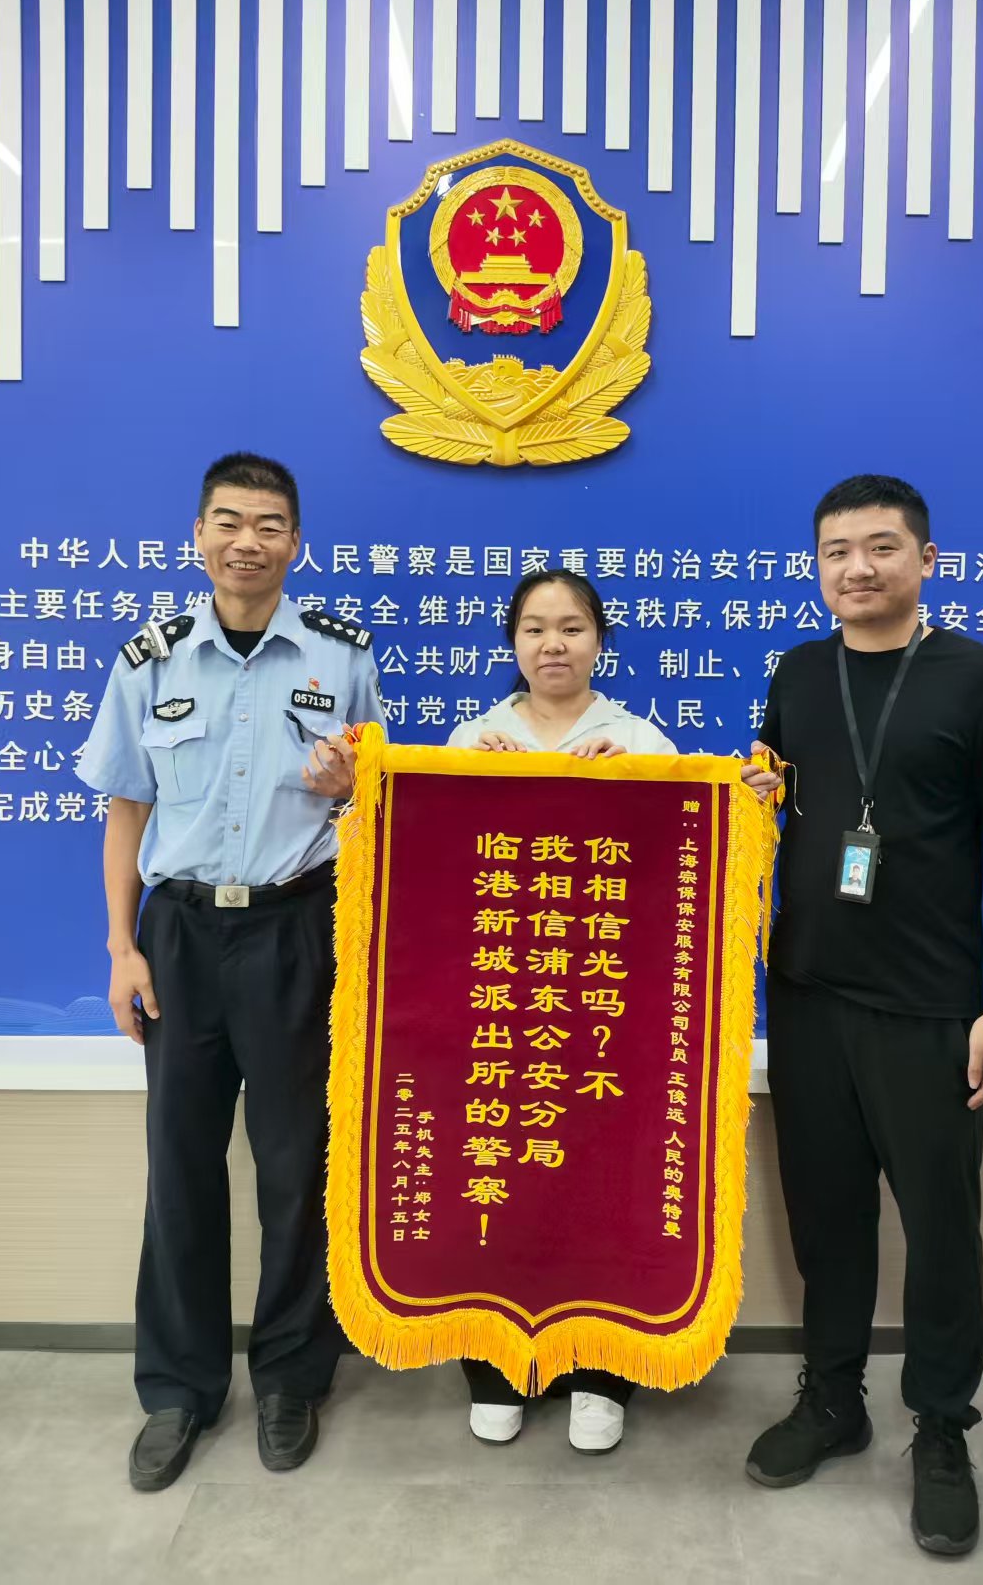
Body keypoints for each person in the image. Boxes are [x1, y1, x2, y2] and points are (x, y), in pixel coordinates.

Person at [739, 474, 983, 1557]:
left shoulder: (980, 680)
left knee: (941, 1231)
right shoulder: (796, 672)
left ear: (925, 560)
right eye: (835, 551)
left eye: (879, 547)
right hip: (807, 994)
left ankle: (942, 1429)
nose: (856, 568)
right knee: (826, 1218)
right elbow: (778, 807)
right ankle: (833, 1397)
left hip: (929, 1006)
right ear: (816, 566)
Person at [76, 453, 384, 1492]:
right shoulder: (150, 659)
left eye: (268, 525)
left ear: (297, 542)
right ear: (198, 535)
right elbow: (126, 810)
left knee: (298, 1166)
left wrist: (348, 789)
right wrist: (122, 949)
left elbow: (374, 810)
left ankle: (293, 1376)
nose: (247, 541)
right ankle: (180, 1389)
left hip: (298, 929)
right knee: (181, 1165)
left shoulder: (341, 656)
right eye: (228, 522)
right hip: (179, 935)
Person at [447, 568, 677, 1453]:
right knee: (499, 1180)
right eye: (535, 628)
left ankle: (599, 1374)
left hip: (607, 1016)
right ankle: (496, 1368)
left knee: (599, 1186)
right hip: (500, 1012)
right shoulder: (473, 739)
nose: (553, 644)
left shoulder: (637, 738)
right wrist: (467, 784)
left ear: (599, 641)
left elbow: (685, 868)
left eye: (572, 627)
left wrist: (642, 788)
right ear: (512, 642)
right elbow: (429, 874)